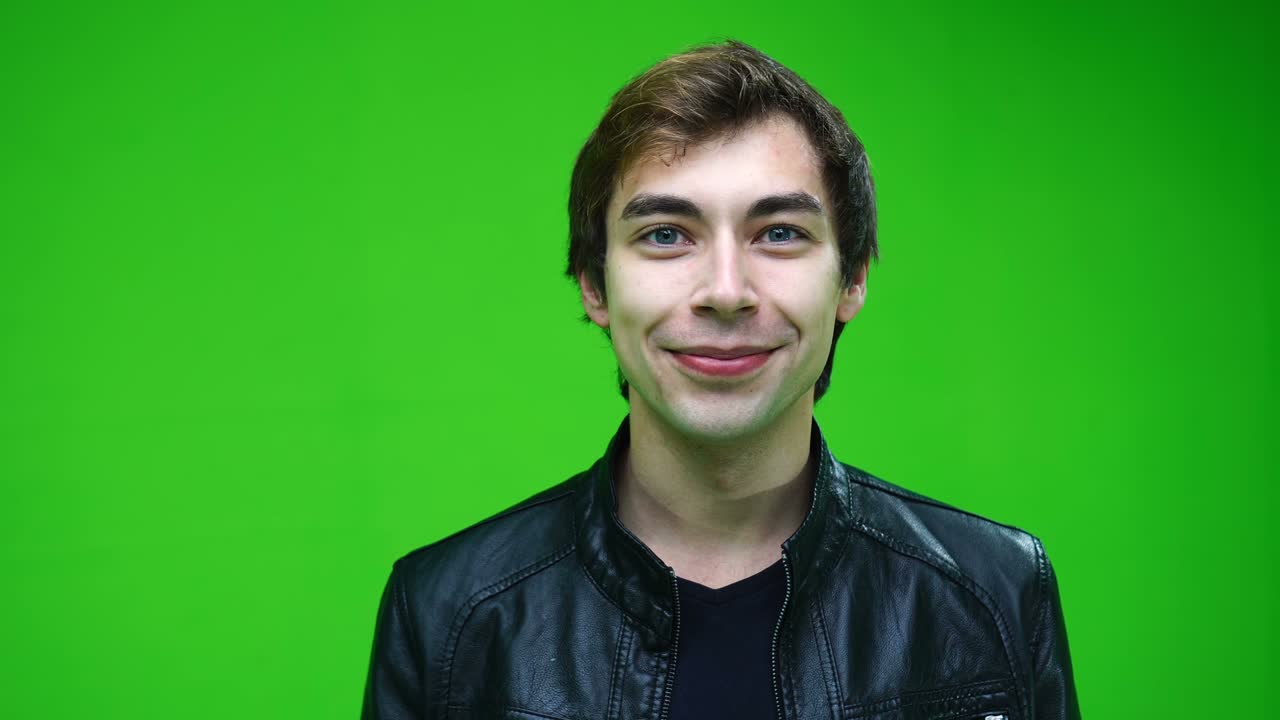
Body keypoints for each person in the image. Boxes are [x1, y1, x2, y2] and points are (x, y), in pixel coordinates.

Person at [362, 40, 1080, 720]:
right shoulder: (448, 613)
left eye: (779, 233)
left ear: (852, 278)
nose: (727, 291)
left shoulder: (995, 592)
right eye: (667, 234)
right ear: (594, 285)